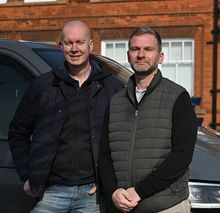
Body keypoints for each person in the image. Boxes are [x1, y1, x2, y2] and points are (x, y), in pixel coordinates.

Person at [8, 20, 124, 213]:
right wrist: (27, 174)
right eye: (69, 43)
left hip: (93, 195)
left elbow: (123, 139)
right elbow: (17, 132)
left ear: (90, 45)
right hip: (50, 193)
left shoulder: (112, 87)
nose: (75, 49)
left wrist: (108, 182)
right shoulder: (43, 86)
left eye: (80, 42)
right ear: (61, 46)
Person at [98, 26, 198, 213]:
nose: (141, 54)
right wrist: (113, 191)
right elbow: (104, 154)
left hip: (165, 206)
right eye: (136, 49)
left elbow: (182, 155)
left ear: (160, 57)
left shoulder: (178, 97)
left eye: (148, 49)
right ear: (128, 55)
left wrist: (140, 191)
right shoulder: (116, 102)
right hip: (121, 207)